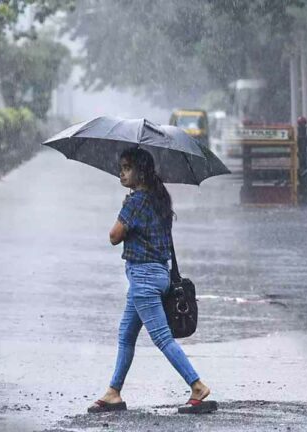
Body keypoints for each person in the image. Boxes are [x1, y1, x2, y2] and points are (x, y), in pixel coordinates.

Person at [88, 147, 212, 413]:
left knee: (162, 338)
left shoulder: (136, 202)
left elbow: (114, 236)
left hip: (143, 278)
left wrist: (125, 210)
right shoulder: (158, 199)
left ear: (141, 172)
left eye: (127, 168)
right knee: (126, 334)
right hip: (156, 274)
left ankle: (197, 386)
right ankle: (113, 392)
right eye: (121, 167)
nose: (121, 172)